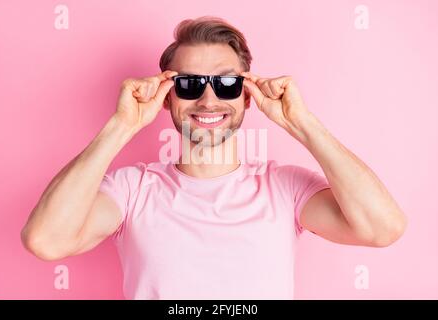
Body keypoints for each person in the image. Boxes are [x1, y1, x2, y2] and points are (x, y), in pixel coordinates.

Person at [21, 16, 407, 299]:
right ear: (167, 96)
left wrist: (300, 122)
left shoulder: (285, 188)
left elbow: (382, 228)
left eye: (226, 83)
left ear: (247, 95)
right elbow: (46, 240)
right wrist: (122, 125)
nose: (208, 100)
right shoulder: (132, 190)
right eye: (189, 84)